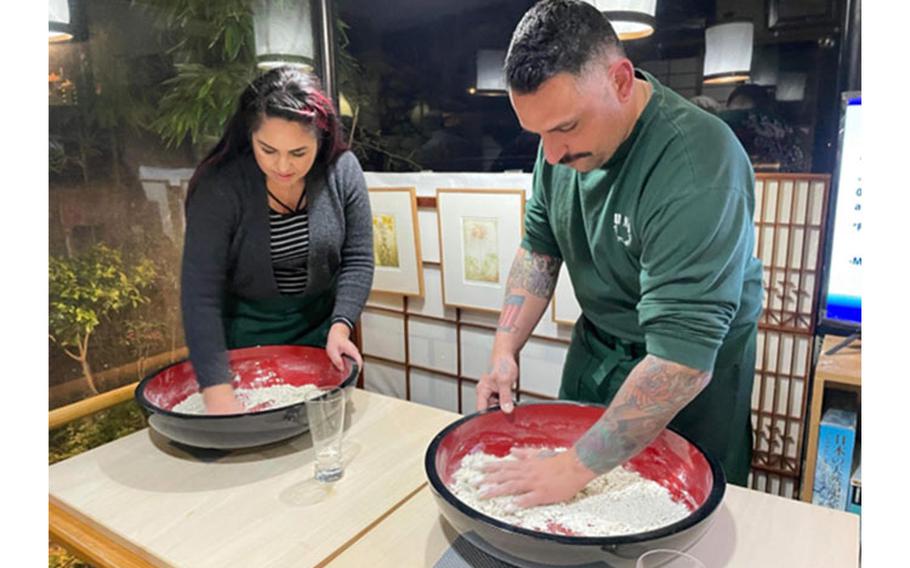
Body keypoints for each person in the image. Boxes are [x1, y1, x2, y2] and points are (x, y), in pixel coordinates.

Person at [475, 0, 763, 507]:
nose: (553, 153)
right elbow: (538, 252)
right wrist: (504, 350)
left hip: (692, 370)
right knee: (581, 511)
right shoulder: (555, 151)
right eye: (538, 133)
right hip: (600, 347)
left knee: (678, 512)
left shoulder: (698, 165)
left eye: (566, 127)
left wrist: (570, 468)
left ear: (622, 81)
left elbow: (681, 361)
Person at [181, 67, 374, 414]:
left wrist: (342, 325)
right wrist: (216, 388)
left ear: (322, 138)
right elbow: (199, 294)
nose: (283, 166)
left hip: (322, 337)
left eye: (299, 153)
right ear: (249, 136)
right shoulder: (221, 185)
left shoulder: (342, 170)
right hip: (242, 346)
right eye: (267, 150)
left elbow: (358, 258)